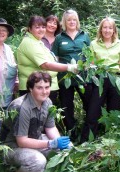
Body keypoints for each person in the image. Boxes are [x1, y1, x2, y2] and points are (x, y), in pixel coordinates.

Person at [2, 71, 71, 172]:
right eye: (39, 88)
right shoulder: (21, 107)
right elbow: (22, 141)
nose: (44, 91)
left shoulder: (47, 101)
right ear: (30, 88)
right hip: (12, 147)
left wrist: (60, 143)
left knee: (67, 149)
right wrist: (51, 143)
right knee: (38, 161)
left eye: (47, 87)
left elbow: (51, 127)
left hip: (34, 139)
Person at [80, 17, 120, 143]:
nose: (107, 30)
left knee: (114, 111)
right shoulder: (94, 44)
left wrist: (117, 74)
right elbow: (90, 63)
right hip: (99, 80)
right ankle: (86, 142)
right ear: (101, 29)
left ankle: (112, 141)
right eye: (105, 27)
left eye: (110, 28)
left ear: (114, 30)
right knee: (93, 112)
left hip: (115, 80)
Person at [16, 15, 77, 105]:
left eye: (43, 27)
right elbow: (45, 65)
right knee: (35, 116)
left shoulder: (38, 42)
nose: (41, 29)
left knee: (46, 116)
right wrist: (71, 67)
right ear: (29, 29)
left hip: (45, 86)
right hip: (34, 87)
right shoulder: (29, 43)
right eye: (37, 27)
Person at [52, 9, 92, 142]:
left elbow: (90, 56)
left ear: (77, 21)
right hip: (65, 78)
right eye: (69, 20)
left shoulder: (84, 35)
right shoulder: (59, 38)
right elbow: (55, 58)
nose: (72, 22)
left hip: (83, 77)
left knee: (89, 104)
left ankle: (89, 133)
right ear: (65, 22)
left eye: (74, 19)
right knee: (66, 107)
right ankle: (72, 133)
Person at [0, 18, 18, 136]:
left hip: (7, 96)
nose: (1, 32)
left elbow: (14, 67)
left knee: (5, 127)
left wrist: (17, 81)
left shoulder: (8, 49)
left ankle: (1, 152)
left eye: (4, 30)